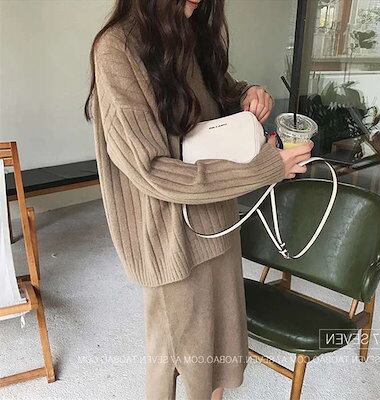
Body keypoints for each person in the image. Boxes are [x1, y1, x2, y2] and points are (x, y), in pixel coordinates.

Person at [84, 1, 313, 399]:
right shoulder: (117, 48)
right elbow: (151, 170)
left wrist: (247, 94)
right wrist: (264, 169)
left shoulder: (187, 29)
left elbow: (214, 95)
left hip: (217, 219)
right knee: (178, 366)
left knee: (217, 357)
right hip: (171, 237)